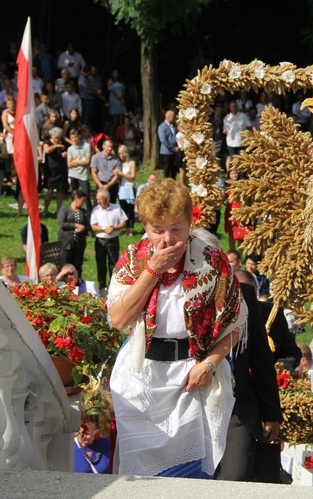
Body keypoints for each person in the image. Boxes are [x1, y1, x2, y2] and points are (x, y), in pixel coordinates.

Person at [108, 178, 247, 478]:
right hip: (140, 379)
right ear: (146, 227)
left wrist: (210, 364)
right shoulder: (132, 260)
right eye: (158, 230)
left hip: (189, 377)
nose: (167, 239)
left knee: (189, 477)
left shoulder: (212, 262)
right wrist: (153, 270)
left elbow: (236, 321)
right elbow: (118, 319)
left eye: (176, 229)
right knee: (139, 479)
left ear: (189, 223)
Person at [216, 270, 281, 483]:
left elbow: (260, 356)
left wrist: (271, 414)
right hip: (192, 402)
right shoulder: (177, 291)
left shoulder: (243, 294)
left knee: (235, 474)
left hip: (238, 404)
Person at [90, 188, 128, 292]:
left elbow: (124, 222)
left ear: (107, 199)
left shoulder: (117, 208)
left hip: (113, 240)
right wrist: (104, 228)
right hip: (101, 240)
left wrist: (114, 228)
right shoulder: (96, 210)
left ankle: (113, 284)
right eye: (97, 199)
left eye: (100, 199)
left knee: (114, 263)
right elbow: (93, 226)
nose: (98, 201)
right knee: (100, 263)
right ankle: (102, 286)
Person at [57, 189, 89, 276]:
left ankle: (77, 283)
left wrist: (83, 228)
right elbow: (62, 224)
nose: (83, 203)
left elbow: (88, 226)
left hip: (79, 243)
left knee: (78, 265)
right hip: (66, 243)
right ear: (76, 199)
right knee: (65, 265)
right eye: (82, 200)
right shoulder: (64, 209)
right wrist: (75, 225)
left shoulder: (84, 212)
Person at [42, 127, 69, 216]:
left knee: (60, 190)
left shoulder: (63, 143)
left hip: (61, 169)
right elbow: (47, 150)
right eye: (55, 138)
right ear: (52, 136)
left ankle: (58, 210)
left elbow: (67, 152)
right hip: (50, 170)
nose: (57, 139)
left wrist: (65, 155)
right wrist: (56, 146)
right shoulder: (47, 142)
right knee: (49, 191)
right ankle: (45, 209)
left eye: (58, 137)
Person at [67, 127, 93, 213]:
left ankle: (90, 213)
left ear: (79, 136)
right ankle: (73, 211)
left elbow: (87, 161)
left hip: (83, 174)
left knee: (86, 194)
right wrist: (81, 161)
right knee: (74, 194)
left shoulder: (86, 146)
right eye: (72, 137)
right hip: (73, 173)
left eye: (76, 137)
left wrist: (75, 161)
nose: (74, 139)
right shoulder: (70, 149)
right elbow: (69, 164)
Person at [90, 139, 121, 203]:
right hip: (100, 183)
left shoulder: (116, 159)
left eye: (111, 147)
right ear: (103, 146)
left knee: (111, 204)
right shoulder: (95, 157)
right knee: (98, 205)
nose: (110, 148)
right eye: (108, 146)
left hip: (112, 184)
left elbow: (118, 175)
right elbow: (93, 173)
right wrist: (100, 186)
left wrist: (108, 185)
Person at [223, 102, 251, 171]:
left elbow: (249, 126)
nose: (233, 108)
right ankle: (234, 176)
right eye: (232, 107)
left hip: (241, 142)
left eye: (235, 106)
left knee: (242, 160)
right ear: (230, 108)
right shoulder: (227, 118)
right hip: (231, 143)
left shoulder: (243, 116)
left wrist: (247, 135)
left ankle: (242, 176)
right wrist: (225, 131)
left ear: (237, 107)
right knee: (234, 161)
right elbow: (225, 129)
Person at [115, 144, 136, 236]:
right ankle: (126, 228)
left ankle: (131, 229)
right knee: (123, 210)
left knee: (130, 210)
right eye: (119, 153)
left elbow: (132, 176)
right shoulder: (118, 163)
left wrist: (121, 174)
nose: (121, 155)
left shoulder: (131, 163)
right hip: (121, 188)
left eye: (122, 153)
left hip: (130, 187)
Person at [158, 110, 178, 179]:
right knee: (167, 169)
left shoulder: (175, 126)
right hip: (166, 152)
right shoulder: (162, 127)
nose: (175, 118)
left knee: (174, 169)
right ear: (168, 117)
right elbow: (163, 139)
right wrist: (172, 147)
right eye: (173, 116)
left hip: (175, 151)